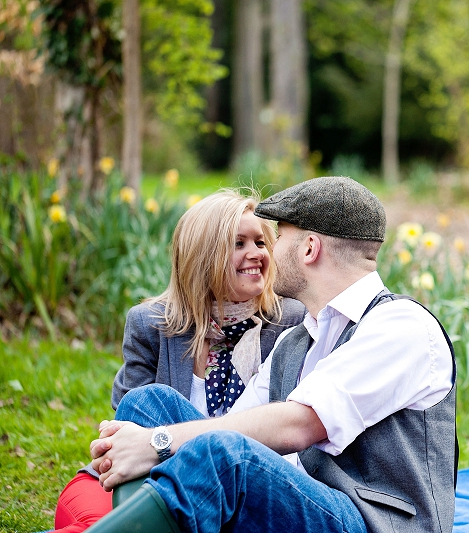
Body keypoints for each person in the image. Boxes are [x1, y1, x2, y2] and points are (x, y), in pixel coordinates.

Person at [85, 176, 457, 533]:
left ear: (310, 248)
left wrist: (159, 443)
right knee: (149, 404)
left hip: (370, 523)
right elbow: (240, 423)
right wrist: (158, 434)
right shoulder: (296, 341)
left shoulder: (401, 326)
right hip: (298, 498)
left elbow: (297, 425)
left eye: (277, 237)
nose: (268, 251)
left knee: (224, 454)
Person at [53, 190, 305, 532]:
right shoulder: (152, 324)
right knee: (93, 520)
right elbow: (129, 422)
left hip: (238, 488)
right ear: (204, 255)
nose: (256, 254)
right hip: (145, 477)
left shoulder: (290, 321)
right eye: (239, 244)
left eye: (261, 242)